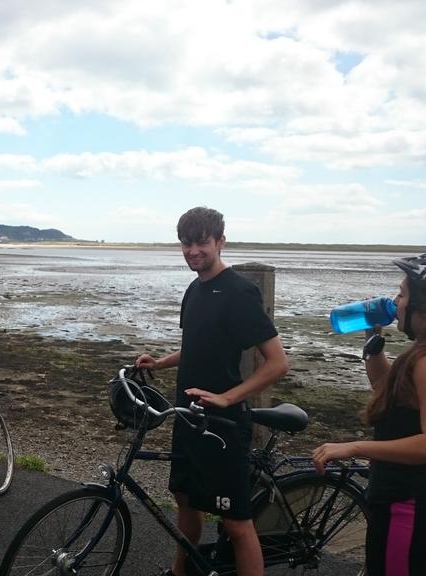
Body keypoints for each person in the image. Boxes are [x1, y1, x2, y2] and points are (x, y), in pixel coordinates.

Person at [135, 207, 289, 576]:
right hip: (187, 416)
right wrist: (158, 364)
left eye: (202, 242)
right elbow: (197, 346)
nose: (193, 251)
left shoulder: (239, 292)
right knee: (186, 502)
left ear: (220, 241)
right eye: (186, 244)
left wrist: (229, 397)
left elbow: (278, 362)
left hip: (223, 425)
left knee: (236, 523)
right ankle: (180, 571)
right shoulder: (195, 289)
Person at [313, 252, 426, 575]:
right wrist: (373, 339)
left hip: (411, 505)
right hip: (420, 500)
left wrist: (354, 447)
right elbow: (388, 390)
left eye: (402, 294)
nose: (394, 300)